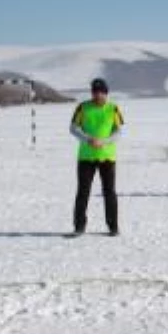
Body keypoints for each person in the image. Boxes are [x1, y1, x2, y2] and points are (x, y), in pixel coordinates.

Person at [69, 78, 123, 236]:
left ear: (106, 93)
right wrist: (88, 139)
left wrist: (105, 141)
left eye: (101, 92)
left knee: (110, 193)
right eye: (95, 92)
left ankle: (113, 226)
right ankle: (79, 226)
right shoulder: (83, 107)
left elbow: (118, 131)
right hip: (86, 157)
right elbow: (73, 128)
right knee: (83, 192)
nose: (98, 95)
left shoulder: (113, 109)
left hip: (107, 157)